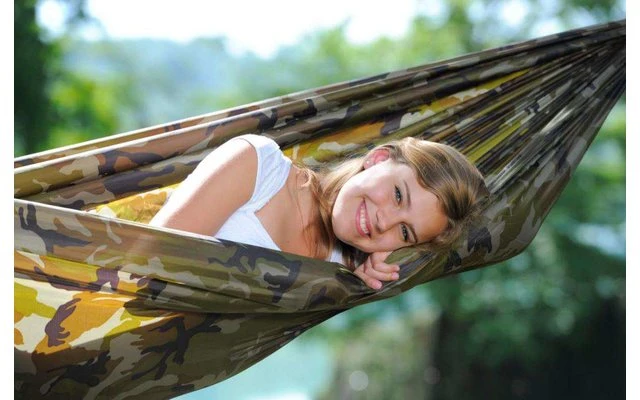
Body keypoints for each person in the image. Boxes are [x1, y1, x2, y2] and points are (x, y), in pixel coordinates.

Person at [150, 134, 488, 289]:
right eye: (398, 195)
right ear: (378, 159)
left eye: (404, 232)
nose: (384, 221)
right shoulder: (257, 166)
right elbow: (143, 259)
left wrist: (351, 286)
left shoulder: (342, 274)